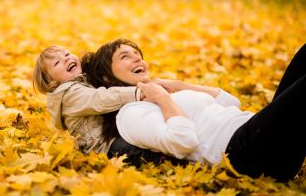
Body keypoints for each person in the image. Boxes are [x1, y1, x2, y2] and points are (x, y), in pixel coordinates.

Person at [81, 38, 305, 182]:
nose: (137, 58)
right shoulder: (129, 114)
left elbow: (232, 104)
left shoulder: (166, 92)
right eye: (124, 56)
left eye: (137, 54)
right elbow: (182, 142)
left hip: (255, 130)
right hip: (247, 153)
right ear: (106, 77)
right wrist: (163, 99)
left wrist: (180, 86)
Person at [33, 45, 182, 167]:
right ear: (52, 83)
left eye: (66, 54)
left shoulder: (80, 80)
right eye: (57, 63)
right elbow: (102, 98)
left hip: (112, 132)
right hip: (103, 147)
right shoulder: (69, 95)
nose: (66, 59)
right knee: (130, 151)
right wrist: (138, 93)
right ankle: (167, 162)